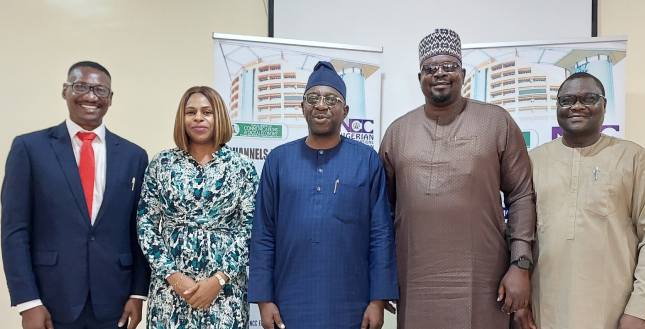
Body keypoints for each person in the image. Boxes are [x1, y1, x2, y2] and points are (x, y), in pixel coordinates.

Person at [379, 28, 535, 329]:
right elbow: (381, 211)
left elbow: (521, 196)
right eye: (430, 68)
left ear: (462, 73)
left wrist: (520, 264)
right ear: (419, 77)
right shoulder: (397, 132)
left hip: (484, 279)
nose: (439, 74)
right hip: (415, 279)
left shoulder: (496, 121)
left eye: (449, 67)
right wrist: (381, 276)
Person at [249, 61, 398, 329]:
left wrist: (377, 300)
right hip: (288, 301)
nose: (321, 105)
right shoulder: (278, 161)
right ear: (302, 107)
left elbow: (381, 233)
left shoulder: (366, 161)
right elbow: (263, 234)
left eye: (331, 99)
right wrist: (263, 299)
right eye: (313, 98)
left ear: (345, 111)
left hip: (351, 301)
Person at [1, 61, 149, 329]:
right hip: (50, 300)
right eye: (81, 86)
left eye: (100, 90)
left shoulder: (134, 156)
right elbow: (14, 230)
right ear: (65, 90)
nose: (91, 96)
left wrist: (138, 293)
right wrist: (28, 301)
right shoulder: (29, 148)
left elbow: (139, 229)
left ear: (111, 99)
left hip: (115, 301)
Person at [519, 72, 645, 329]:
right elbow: (520, 237)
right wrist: (520, 303)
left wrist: (641, 307)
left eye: (589, 98)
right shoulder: (533, 161)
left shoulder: (633, 158)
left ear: (604, 106)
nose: (577, 106)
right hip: (545, 312)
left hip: (614, 313)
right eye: (566, 100)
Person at [136, 86, 258, 328]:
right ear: (182, 118)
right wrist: (173, 276)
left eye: (207, 112)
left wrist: (220, 280)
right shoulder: (162, 163)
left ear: (219, 117)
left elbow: (251, 227)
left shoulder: (241, 167)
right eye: (191, 112)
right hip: (170, 290)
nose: (198, 118)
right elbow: (145, 223)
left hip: (225, 292)